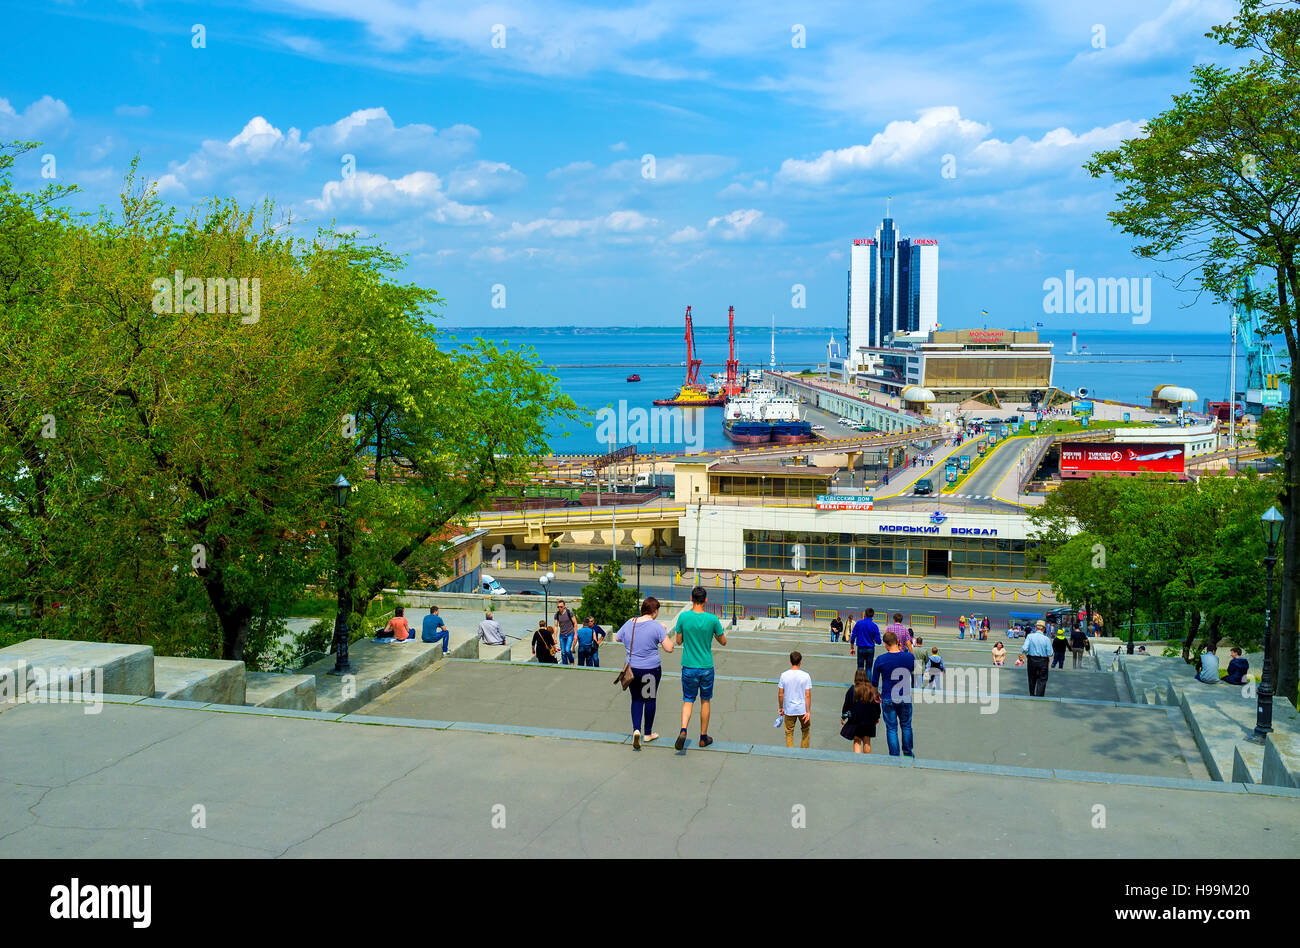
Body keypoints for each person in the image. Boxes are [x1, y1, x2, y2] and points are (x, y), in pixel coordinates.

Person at [616, 596, 676, 749]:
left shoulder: (630, 622)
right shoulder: (656, 627)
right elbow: (669, 648)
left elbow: (617, 637)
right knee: (649, 699)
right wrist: (664, 631)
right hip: (650, 670)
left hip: (632, 669)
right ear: (655, 612)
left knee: (636, 699)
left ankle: (636, 730)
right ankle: (648, 733)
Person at [674, 586, 728, 751]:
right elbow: (723, 641)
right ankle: (703, 737)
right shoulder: (712, 619)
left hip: (689, 666)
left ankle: (683, 729)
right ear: (706, 600)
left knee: (688, 700)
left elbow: (678, 641)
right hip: (706, 666)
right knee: (705, 700)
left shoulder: (683, 617)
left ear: (691, 599)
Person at [871, 630, 914, 757]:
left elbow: (874, 682)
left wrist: (875, 694)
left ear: (885, 644)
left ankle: (894, 756)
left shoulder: (880, 660)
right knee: (906, 726)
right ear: (898, 642)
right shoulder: (909, 657)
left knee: (891, 728)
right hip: (904, 697)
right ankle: (907, 754)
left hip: (888, 697)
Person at [778, 651, 813, 749]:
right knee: (805, 730)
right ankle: (804, 751)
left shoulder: (784, 675)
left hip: (789, 709)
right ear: (800, 661)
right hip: (802, 709)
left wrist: (781, 707)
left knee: (789, 731)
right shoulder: (806, 676)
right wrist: (808, 711)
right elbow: (807, 695)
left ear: (790, 661)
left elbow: (781, 694)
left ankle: (790, 752)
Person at [840, 670, 881, 754]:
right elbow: (877, 705)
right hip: (869, 720)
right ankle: (867, 759)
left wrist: (844, 716)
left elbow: (847, 705)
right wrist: (877, 717)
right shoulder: (872, 690)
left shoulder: (852, 690)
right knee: (867, 740)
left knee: (857, 740)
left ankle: (858, 761)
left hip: (856, 720)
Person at [1021, 620, 1053, 696]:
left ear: (1035, 627)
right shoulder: (1046, 639)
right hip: (1043, 661)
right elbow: (1050, 653)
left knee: (1031, 678)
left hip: (1031, 659)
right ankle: (1040, 695)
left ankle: (1032, 694)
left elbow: (1024, 648)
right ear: (1044, 629)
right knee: (1042, 679)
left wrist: (1026, 654)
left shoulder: (1030, 636)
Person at [850, 607, 882, 673]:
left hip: (861, 648)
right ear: (873, 615)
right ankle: (868, 683)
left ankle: (859, 682)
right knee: (869, 669)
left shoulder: (858, 623)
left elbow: (853, 636)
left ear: (864, 614)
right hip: (870, 649)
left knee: (860, 667)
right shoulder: (874, 626)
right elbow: (879, 641)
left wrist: (852, 647)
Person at [554, 600, 578, 666]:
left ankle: (571, 661)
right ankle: (565, 665)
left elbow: (575, 623)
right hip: (562, 635)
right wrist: (555, 637)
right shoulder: (557, 614)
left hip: (570, 633)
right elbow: (556, 626)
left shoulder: (569, 612)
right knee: (563, 652)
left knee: (567, 650)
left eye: (561, 607)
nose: (559, 608)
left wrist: (575, 635)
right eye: (558, 607)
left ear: (564, 606)